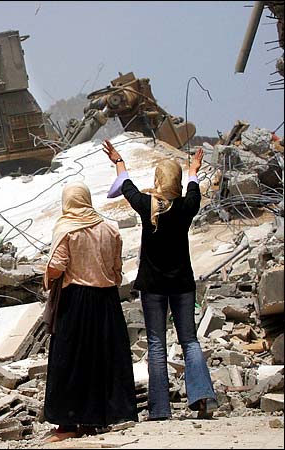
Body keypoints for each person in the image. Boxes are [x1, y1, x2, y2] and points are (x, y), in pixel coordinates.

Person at [102, 140, 218, 420]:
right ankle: (202, 398)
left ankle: (159, 408)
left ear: (157, 179)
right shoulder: (187, 206)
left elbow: (126, 186)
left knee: (155, 343)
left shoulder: (146, 205)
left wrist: (118, 161)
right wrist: (193, 170)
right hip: (182, 284)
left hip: (152, 285)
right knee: (189, 340)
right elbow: (194, 188)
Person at [42, 181, 137, 442]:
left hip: (76, 303)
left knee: (70, 361)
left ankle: (68, 424)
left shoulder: (67, 229)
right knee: (105, 358)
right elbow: (118, 269)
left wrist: (48, 278)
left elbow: (57, 267)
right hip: (107, 301)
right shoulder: (109, 228)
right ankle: (104, 418)